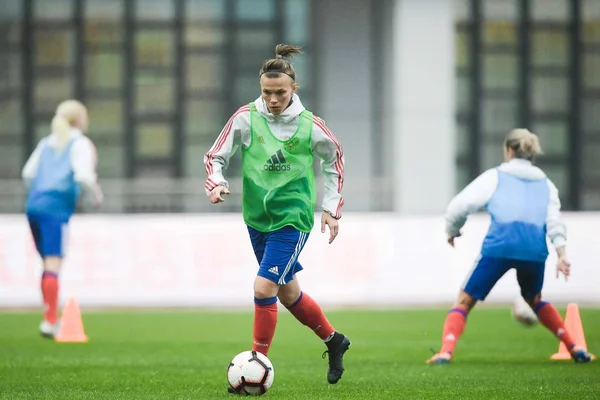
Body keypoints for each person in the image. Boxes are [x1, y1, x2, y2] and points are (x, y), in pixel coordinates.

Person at [204, 44, 350, 388]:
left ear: (293, 89)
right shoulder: (245, 118)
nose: (272, 99)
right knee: (286, 294)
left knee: (263, 286)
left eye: (280, 92)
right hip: (257, 219)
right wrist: (217, 183)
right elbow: (215, 156)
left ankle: (256, 364)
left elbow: (335, 160)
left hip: (292, 219)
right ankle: (334, 341)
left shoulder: (310, 126)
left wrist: (331, 209)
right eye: (267, 92)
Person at [427, 128, 593, 365]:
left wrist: (452, 230)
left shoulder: (496, 176)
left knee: (464, 300)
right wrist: (562, 253)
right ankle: (575, 347)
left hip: (500, 246)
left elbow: (459, 206)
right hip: (534, 249)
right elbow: (554, 221)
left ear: (509, 150)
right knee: (535, 299)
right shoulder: (546, 184)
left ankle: (445, 351)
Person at [22, 99, 103, 339]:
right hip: (55, 209)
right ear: (79, 119)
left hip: (34, 205)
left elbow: (28, 174)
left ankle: (49, 315)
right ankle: (49, 322)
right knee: (53, 263)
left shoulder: (48, 142)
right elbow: (83, 177)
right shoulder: (80, 144)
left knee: (47, 264)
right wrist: (93, 196)